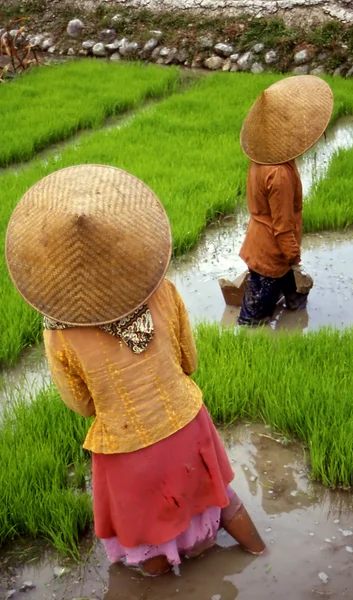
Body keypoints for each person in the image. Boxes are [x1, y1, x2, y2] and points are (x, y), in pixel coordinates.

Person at [5, 164, 265, 576]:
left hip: (125, 450)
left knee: (149, 541)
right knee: (221, 497)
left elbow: (83, 406)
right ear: (125, 246)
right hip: (186, 423)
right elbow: (189, 364)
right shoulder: (162, 291)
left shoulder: (59, 334)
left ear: (52, 272)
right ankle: (264, 560)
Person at [238, 75, 334, 326]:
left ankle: (295, 310)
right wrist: (295, 259)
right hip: (271, 253)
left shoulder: (265, 156)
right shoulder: (279, 174)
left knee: (296, 296)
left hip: (265, 245)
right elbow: (281, 227)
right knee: (252, 322)